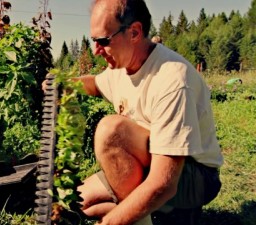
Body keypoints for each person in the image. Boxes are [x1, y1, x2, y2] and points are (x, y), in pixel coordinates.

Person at [64, 0, 224, 224]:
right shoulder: (122, 67)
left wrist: (110, 223)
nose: (96, 51)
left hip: (191, 175)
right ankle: (145, 211)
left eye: (103, 41)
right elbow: (96, 84)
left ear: (135, 32)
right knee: (78, 204)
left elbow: (164, 183)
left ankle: (166, 215)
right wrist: (67, 84)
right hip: (148, 162)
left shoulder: (172, 79)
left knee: (112, 131)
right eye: (94, 41)